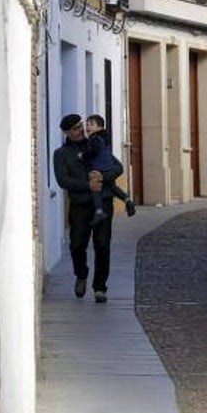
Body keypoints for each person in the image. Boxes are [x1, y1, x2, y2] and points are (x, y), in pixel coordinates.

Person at [54, 113, 124, 303]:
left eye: (82, 125)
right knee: (77, 244)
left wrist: (103, 178)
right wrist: (88, 185)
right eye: (76, 128)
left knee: (102, 245)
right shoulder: (61, 154)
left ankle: (100, 287)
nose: (81, 130)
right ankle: (81, 274)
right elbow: (63, 180)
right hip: (80, 205)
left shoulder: (96, 143)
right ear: (67, 132)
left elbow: (118, 168)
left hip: (104, 202)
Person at [81, 114, 137, 225]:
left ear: (100, 127)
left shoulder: (94, 139)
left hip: (100, 168)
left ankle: (99, 211)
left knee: (96, 189)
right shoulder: (104, 138)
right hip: (108, 166)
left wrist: (82, 156)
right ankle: (127, 200)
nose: (87, 127)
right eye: (86, 124)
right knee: (112, 187)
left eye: (91, 124)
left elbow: (93, 152)